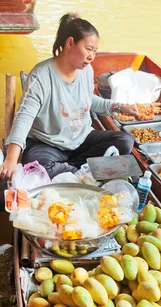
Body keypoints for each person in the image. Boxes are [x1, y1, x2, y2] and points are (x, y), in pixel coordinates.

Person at [0, 13, 138, 182]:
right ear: (70, 43)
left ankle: (70, 169)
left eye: (95, 51)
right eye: (88, 49)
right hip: (47, 144)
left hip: (81, 139)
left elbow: (89, 100)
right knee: (36, 166)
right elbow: (24, 117)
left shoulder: (86, 71)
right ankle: (85, 172)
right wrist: (12, 159)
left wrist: (118, 107)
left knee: (125, 141)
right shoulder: (41, 76)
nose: (92, 56)